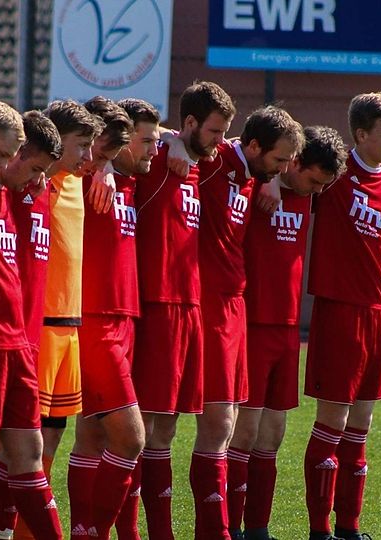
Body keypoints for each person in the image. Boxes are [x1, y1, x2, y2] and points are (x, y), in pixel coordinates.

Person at [226, 126, 347, 540]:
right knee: (243, 430)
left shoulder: (306, 193)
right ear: (293, 162)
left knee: (273, 433)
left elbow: (360, 174)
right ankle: (230, 528)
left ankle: (258, 528)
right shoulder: (257, 185)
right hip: (252, 325)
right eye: (314, 180)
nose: (318, 190)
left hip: (288, 328)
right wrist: (271, 180)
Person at [302, 93, 381, 540]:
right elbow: (289, 169)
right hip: (338, 309)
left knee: (361, 426)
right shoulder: (333, 172)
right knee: (332, 422)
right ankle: (319, 531)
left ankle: (349, 529)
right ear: (361, 134)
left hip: (375, 313)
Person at [188, 105, 303, 540]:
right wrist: (169, 141)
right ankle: (215, 530)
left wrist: (271, 176)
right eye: (278, 161)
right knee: (217, 425)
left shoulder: (253, 171)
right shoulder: (214, 161)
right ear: (253, 146)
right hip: (209, 305)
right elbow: (177, 139)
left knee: (231, 424)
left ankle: (227, 530)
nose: (284, 169)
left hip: (237, 305)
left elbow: (296, 164)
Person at [131, 81, 234, 540]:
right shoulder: (157, 160)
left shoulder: (203, 162)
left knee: (167, 430)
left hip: (189, 307)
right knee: (145, 430)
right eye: (212, 130)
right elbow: (118, 136)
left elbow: (256, 149)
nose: (219, 140)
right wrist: (169, 138)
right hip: (157, 305)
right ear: (189, 124)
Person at [65, 96, 150, 540]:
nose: (151, 147)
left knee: (94, 439)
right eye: (143, 140)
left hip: (123, 316)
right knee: (131, 439)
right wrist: (100, 167)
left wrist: (112, 167)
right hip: (93, 319)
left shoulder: (126, 178)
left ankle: (85, 530)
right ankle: (95, 531)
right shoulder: (74, 179)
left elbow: (182, 139)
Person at [0, 110, 64, 540]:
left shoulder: (35, 188)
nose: (38, 180)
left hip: (23, 342)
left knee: (27, 451)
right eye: (32, 168)